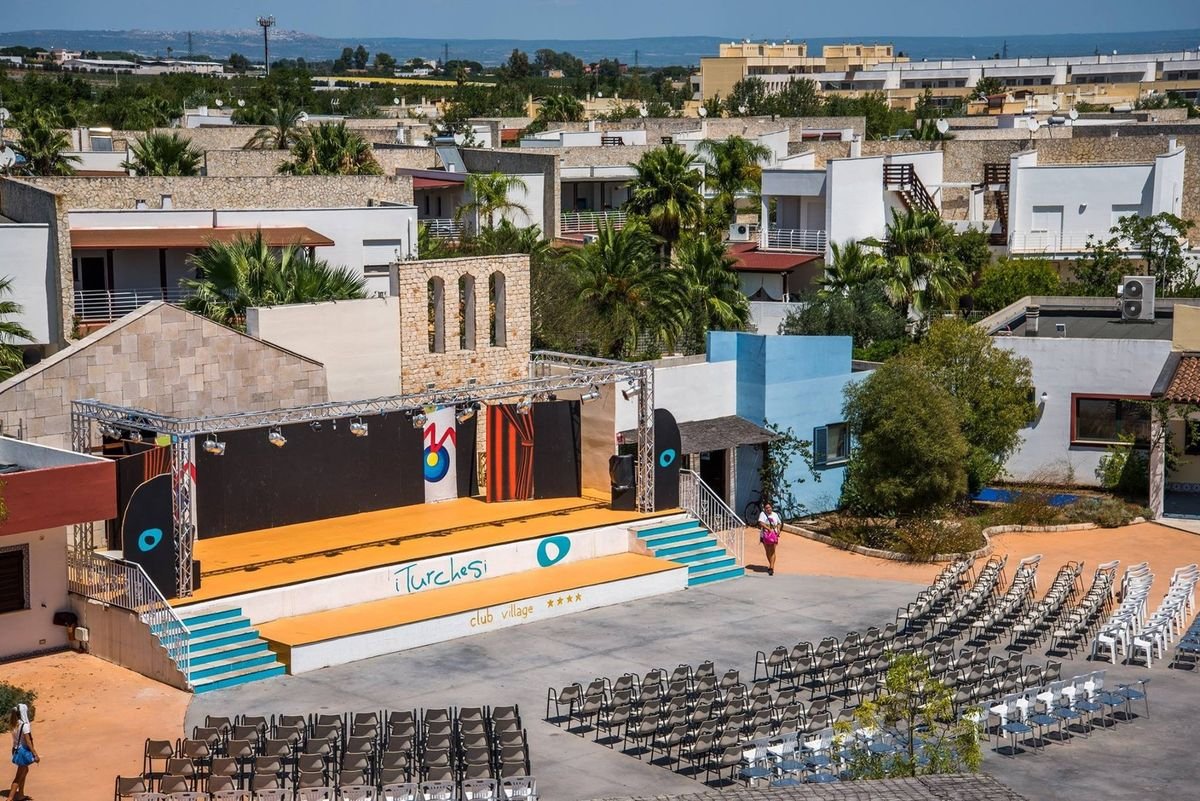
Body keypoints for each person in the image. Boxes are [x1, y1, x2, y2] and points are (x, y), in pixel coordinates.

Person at [8, 703, 38, 801]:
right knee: (19, 775)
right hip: (22, 752)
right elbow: (28, 741)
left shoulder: (14, 724)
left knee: (25, 771)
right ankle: (10, 798)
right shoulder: (24, 725)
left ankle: (21, 794)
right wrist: (35, 754)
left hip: (16, 750)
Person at [757, 501, 781, 576]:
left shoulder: (775, 514)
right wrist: (768, 528)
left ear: (771, 507)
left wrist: (778, 529)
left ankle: (771, 567)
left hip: (774, 535)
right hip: (765, 535)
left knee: (773, 550)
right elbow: (761, 523)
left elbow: (779, 523)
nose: (768, 509)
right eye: (766, 508)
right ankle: (771, 564)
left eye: (769, 507)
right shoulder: (762, 514)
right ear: (764, 509)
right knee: (767, 550)